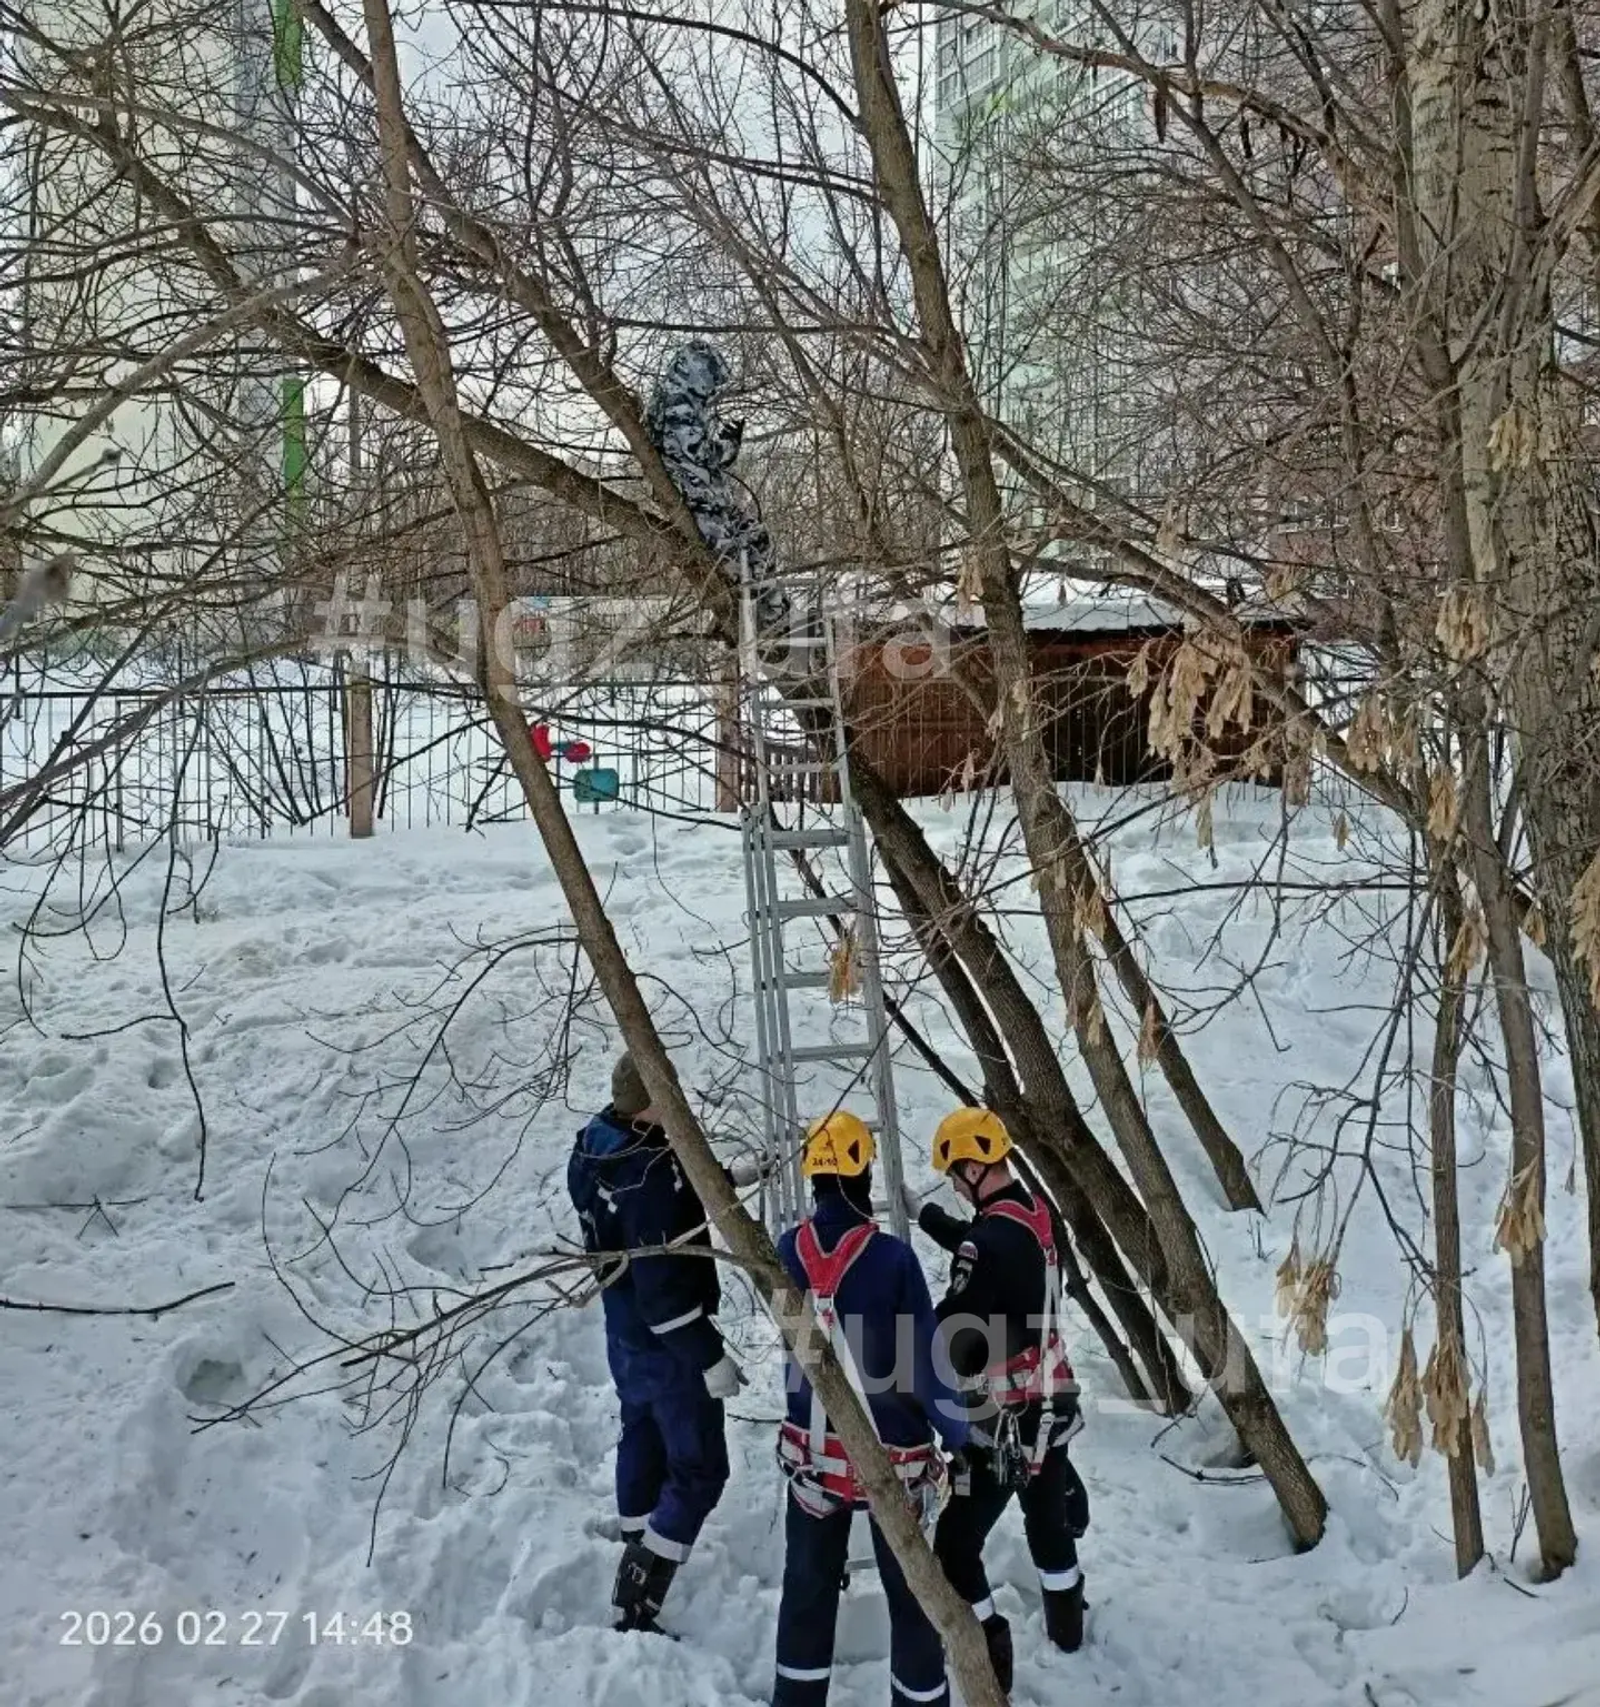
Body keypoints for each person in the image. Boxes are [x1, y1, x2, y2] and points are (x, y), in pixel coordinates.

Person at [771, 1112, 969, 1707]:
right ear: (863, 1174)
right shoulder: (891, 1261)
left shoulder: (786, 1251)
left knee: (807, 1592)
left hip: (813, 1459)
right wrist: (960, 1435)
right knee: (913, 1600)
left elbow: (799, 1349)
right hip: (892, 1461)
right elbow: (926, 1368)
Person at [904, 1107, 1090, 1691]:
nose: (956, 1188)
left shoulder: (986, 1246)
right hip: (1052, 1398)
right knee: (1048, 1523)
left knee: (955, 1544)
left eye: (955, 1177)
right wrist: (927, 1216)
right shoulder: (1036, 1213)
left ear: (972, 1167)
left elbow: (954, 1335)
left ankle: (989, 1653)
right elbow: (987, 1243)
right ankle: (1069, 1633)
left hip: (1007, 1418)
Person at [567, 1052, 747, 1633]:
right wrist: (709, 1358)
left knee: (641, 1434)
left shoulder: (598, 1142)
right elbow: (664, 1294)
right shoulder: (646, 1175)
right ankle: (640, 1591)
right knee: (700, 1468)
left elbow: (658, 1192)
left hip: (624, 1334)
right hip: (668, 1345)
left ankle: (635, 1542)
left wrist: (725, 1179)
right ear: (649, 1103)